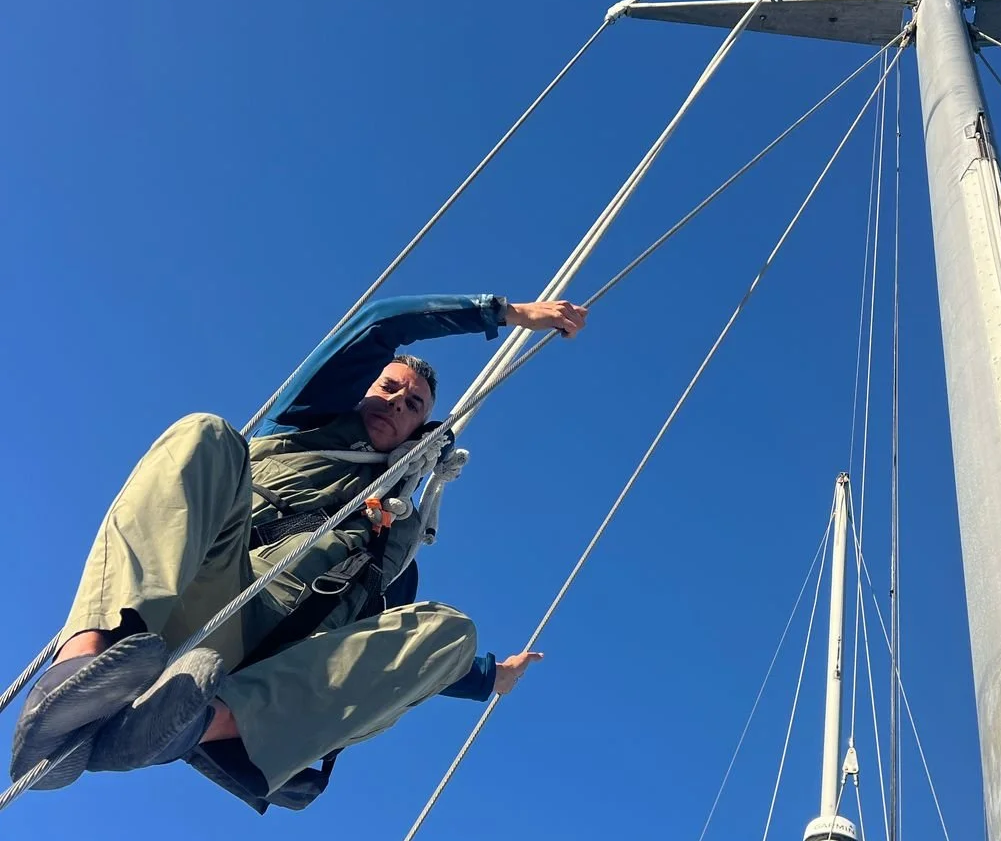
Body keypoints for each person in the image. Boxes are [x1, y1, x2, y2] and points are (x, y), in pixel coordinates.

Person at [9, 292, 587, 813]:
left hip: (248, 671)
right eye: (389, 387)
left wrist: (488, 679)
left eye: (414, 405)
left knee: (452, 630)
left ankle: (189, 725)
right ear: (363, 388)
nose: (398, 402)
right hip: (196, 588)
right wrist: (507, 315)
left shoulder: (395, 553)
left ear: (421, 429)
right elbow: (378, 324)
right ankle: (82, 669)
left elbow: (386, 662)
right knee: (207, 433)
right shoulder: (305, 425)